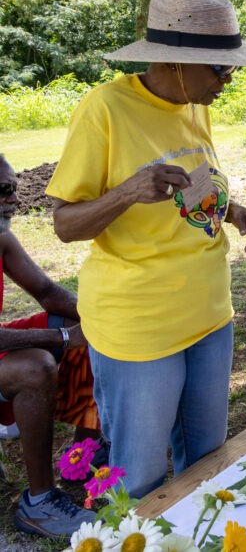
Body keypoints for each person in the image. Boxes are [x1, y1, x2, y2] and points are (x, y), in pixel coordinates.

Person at [46, 0, 246, 498]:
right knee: (142, 476)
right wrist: (129, 191)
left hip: (210, 314)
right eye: (220, 70)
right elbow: (65, 224)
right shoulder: (105, 108)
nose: (228, 80)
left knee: (208, 461)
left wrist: (232, 210)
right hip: (140, 326)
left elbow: (191, 191)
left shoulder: (196, 105)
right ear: (176, 61)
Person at [0, 156, 98, 538]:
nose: (13, 200)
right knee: (35, 366)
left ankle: (84, 462)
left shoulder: (2, 238)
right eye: (2, 191)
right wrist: (60, 338)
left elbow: (48, 293)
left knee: (91, 331)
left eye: (14, 189)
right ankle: (38, 503)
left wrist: (102, 318)